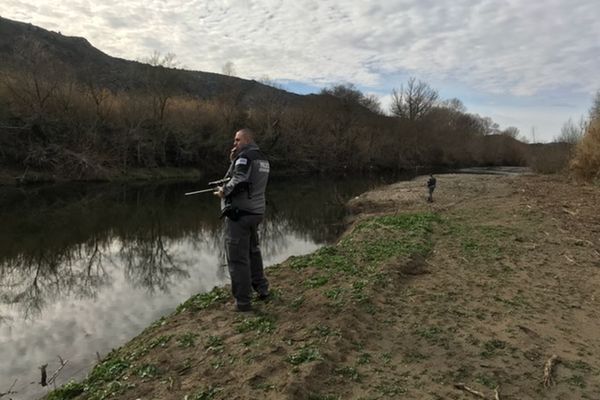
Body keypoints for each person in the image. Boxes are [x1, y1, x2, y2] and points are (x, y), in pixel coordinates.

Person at [214, 128, 270, 312]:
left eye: (237, 140)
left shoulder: (245, 157)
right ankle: (262, 288)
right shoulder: (261, 157)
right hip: (256, 213)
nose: (234, 143)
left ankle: (243, 303)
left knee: (238, 259)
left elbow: (238, 179)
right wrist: (232, 160)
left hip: (241, 214)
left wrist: (224, 191)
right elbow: (248, 180)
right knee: (253, 251)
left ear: (247, 139)